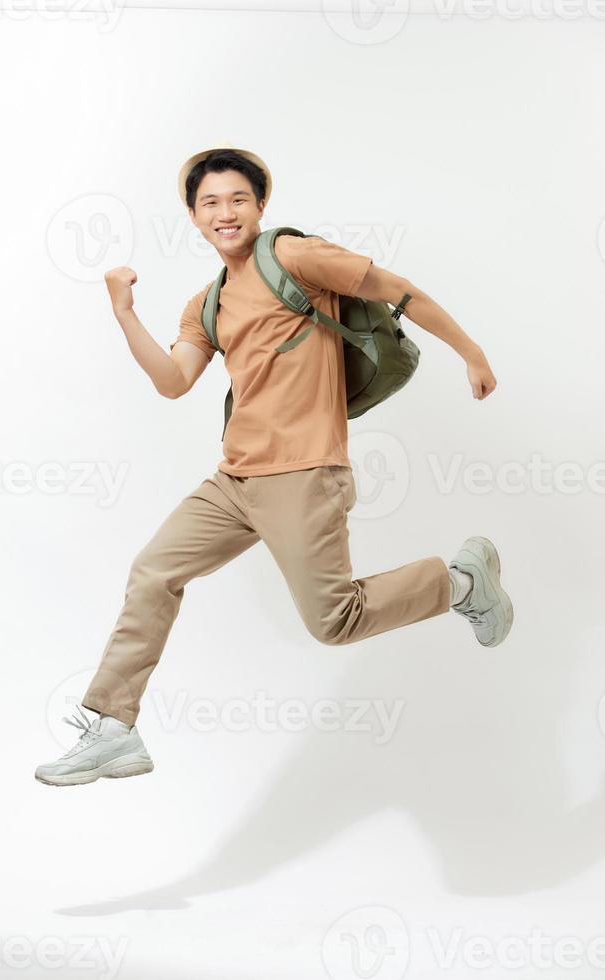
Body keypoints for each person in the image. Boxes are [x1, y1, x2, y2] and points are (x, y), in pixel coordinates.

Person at [35, 144, 513, 787]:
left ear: (260, 205)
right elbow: (174, 381)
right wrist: (125, 315)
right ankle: (114, 728)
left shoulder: (295, 256)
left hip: (305, 473)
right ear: (193, 215)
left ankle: (459, 583)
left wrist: (472, 351)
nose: (224, 212)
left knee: (333, 622)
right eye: (210, 203)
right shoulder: (206, 302)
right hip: (234, 480)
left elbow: (395, 290)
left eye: (238, 198)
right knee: (153, 571)